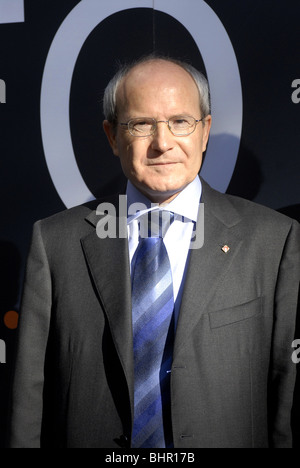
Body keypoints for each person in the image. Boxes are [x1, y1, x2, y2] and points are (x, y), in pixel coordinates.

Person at [8, 55, 299, 448]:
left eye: (180, 122)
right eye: (142, 124)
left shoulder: (274, 240)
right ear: (112, 136)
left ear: (205, 131)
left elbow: (285, 397)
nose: (163, 143)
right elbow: (29, 395)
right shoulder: (55, 242)